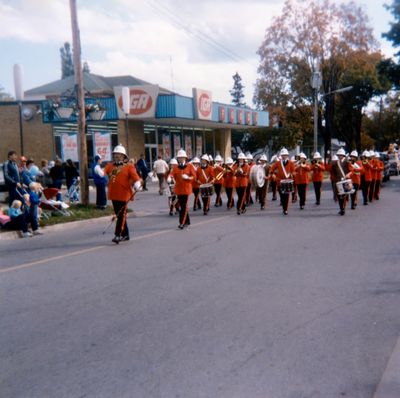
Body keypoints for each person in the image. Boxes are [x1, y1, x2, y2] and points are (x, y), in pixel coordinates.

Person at [104, 144, 142, 243]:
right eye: (115, 154)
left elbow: (135, 177)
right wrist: (98, 171)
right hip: (113, 194)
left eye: (119, 155)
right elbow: (103, 172)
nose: (117, 156)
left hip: (124, 194)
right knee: (119, 214)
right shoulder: (110, 165)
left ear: (124, 156)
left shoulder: (129, 166)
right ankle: (126, 234)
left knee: (121, 215)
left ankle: (118, 235)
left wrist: (137, 184)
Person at [170, 149, 196, 229]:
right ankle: (187, 221)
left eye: (182, 157)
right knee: (182, 205)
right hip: (178, 189)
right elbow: (172, 174)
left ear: (185, 158)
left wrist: (188, 177)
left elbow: (194, 177)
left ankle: (182, 222)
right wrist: (169, 178)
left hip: (186, 189)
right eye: (179, 158)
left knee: (183, 207)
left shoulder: (190, 166)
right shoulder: (176, 167)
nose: (180, 159)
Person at [270, 148, 295, 215]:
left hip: (287, 182)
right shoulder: (278, 163)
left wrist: (292, 175)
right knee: (282, 196)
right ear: (281, 156)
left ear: (287, 155)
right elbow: (272, 169)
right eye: (283, 155)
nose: (284, 156)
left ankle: (285, 209)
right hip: (279, 182)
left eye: (285, 155)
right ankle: (284, 207)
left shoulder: (291, 163)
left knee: (287, 196)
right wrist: (272, 174)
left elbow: (293, 171)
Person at [329, 148, 351, 215]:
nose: (340, 156)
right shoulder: (335, 163)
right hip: (338, 181)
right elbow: (331, 170)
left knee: (344, 195)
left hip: (345, 180)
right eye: (339, 155)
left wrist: (348, 174)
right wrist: (329, 161)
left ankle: (343, 208)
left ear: (343, 155)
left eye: (341, 155)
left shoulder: (347, 162)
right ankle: (341, 208)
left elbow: (351, 170)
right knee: (339, 195)